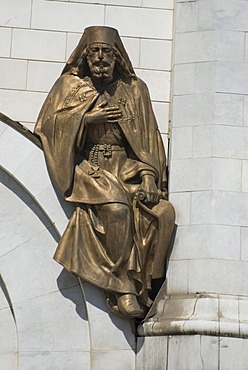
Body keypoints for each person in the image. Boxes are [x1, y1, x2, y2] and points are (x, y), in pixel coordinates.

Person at [34, 26, 175, 319]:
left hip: (127, 167)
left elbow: (149, 139)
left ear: (117, 57)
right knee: (117, 209)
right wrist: (86, 118)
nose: (100, 58)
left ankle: (147, 285)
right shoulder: (69, 86)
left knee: (164, 214)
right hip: (91, 164)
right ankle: (122, 286)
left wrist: (149, 176)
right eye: (95, 52)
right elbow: (47, 126)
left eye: (106, 52)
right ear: (85, 56)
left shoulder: (134, 90)